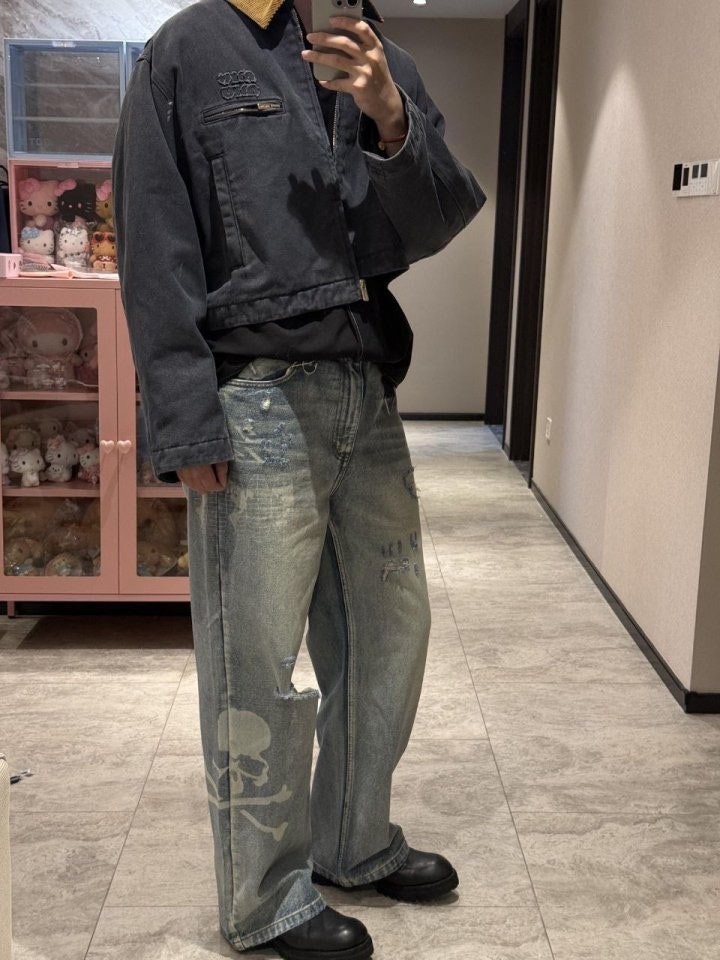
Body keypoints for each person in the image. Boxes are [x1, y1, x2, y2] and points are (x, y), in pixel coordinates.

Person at [112, 0, 485, 956]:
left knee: (391, 634)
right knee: (257, 661)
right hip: (256, 394)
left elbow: (435, 221)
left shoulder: (375, 53)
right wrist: (184, 414)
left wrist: (391, 116)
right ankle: (264, 897)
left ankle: (353, 843)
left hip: (366, 384)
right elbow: (154, 241)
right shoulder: (187, 50)